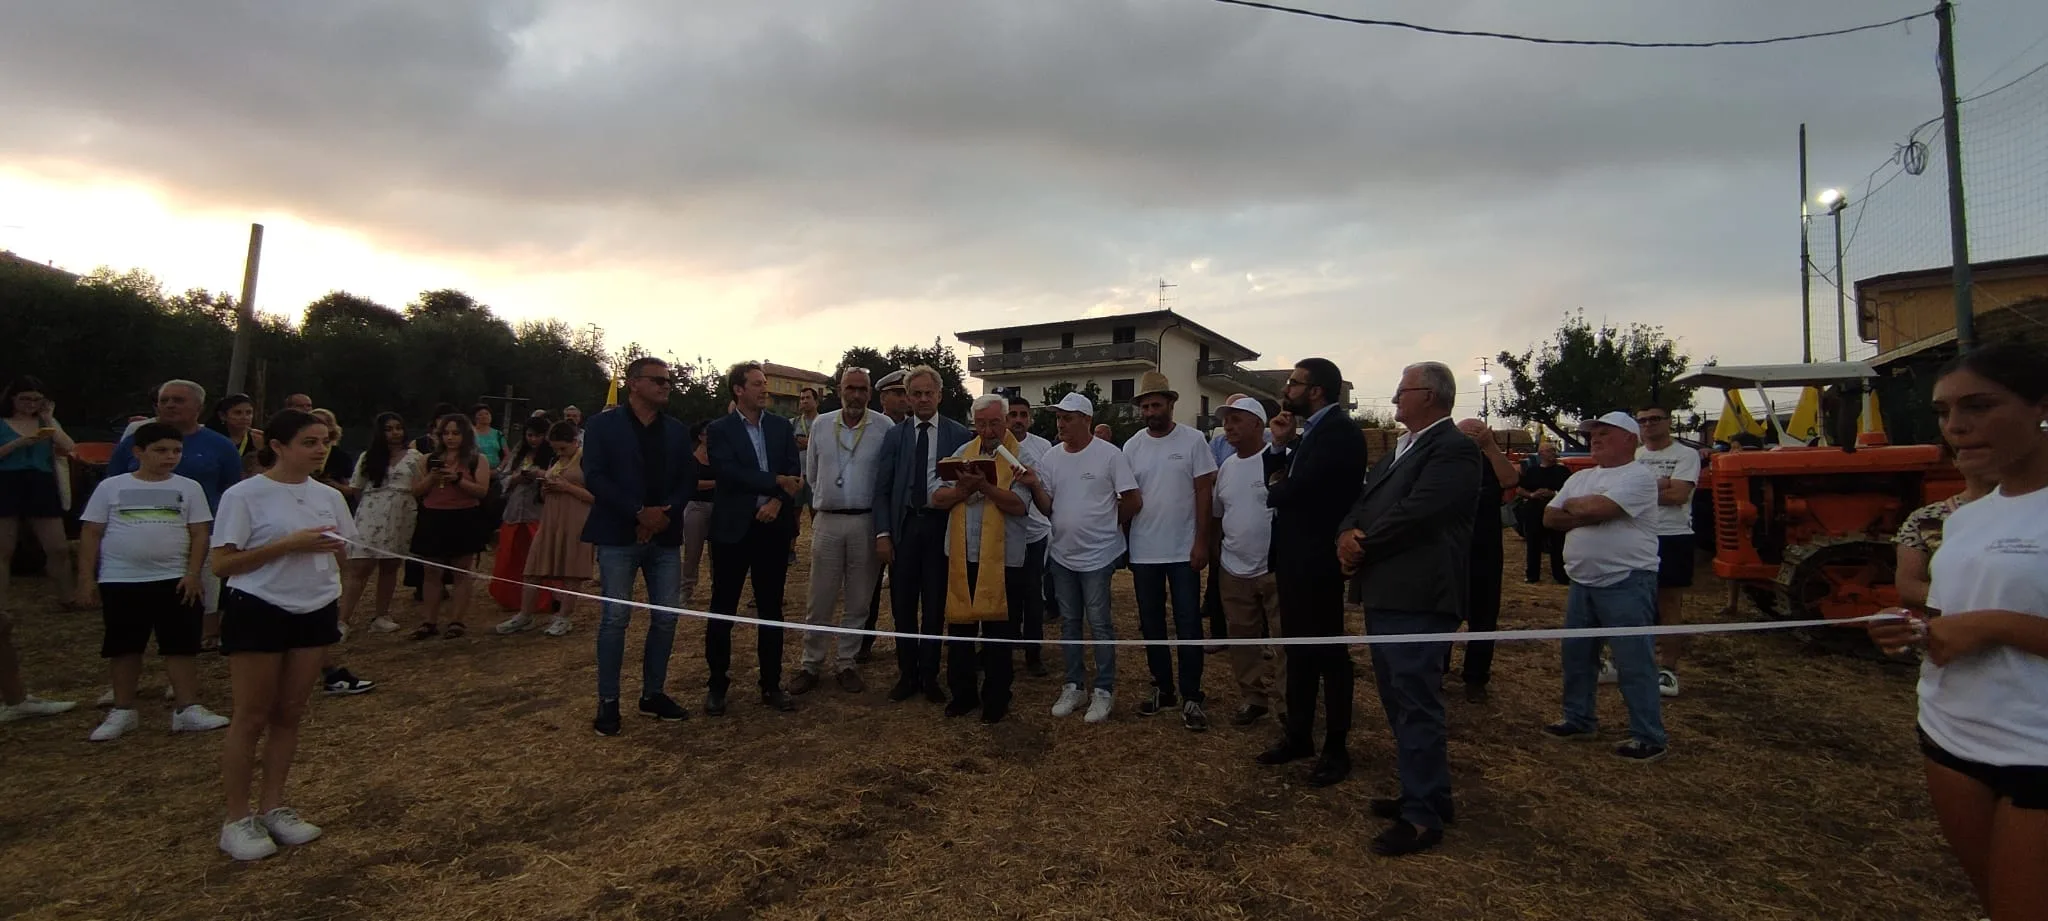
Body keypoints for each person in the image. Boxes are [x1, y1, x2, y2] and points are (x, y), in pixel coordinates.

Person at [1866, 342, 2048, 921]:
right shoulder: (1965, 519)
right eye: (1944, 412)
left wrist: (1995, 626)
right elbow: (1949, 619)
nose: (1956, 427)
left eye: (1979, 406)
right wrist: (1914, 630)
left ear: (2040, 406)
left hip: (2036, 748)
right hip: (1950, 735)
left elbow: (1986, 621)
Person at [1334, 361, 1480, 857]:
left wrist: (1362, 545)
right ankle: (1428, 793)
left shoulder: (1454, 450)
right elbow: (1365, 501)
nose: (1395, 398)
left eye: (1403, 390)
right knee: (1400, 700)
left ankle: (1422, 818)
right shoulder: (1404, 448)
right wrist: (1346, 532)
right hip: (1387, 592)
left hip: (1420, 595)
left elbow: (1419, 513)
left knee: (1416, 701)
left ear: (1431, 396)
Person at [210, 409, 358, 861]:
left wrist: (336, 553)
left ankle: (274, 806)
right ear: (277, 446)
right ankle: (237, 819)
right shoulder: (244, 495)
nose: (320, 450)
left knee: (290, 713)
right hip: (259, 607)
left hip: (315, 607)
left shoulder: (328, 496)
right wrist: (288, 545)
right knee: (251, 715)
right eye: (309, 442)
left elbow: (347, 551)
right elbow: (222, 564)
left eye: (324, 442)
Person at [77, 421, 232, 740]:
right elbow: (91, 532)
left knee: (181, 645)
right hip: (121, 579)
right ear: (138, 452)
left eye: (176, 451)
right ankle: (123, 710)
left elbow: (199, 533)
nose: (170, 457)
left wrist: (192, 573)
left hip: (175, 579)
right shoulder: (111, 487)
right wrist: (86, 579)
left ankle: (187, 708)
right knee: (124, 645)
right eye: (161, 450)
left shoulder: (190, 488)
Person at [1258, 359, 1366, 787]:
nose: (1287, 390)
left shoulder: (1339, 433)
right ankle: (1299, 735)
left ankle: (1336, 747)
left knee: (1328, 654)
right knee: (1298, 649)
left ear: (1316, 390)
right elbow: (1281, 482)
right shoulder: (1309, 434)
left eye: (1294, 383)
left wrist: (1277, 487)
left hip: (1319, 559)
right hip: (1294, 558)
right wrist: (1279, 447)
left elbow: (1294, 490)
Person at [1542, 411, 1669, 767]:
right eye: (1592, 434)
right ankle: (1579, 719)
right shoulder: (1580, 477)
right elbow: (1550, 517)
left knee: (1633, 660)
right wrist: (1588, 510)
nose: (1595, 439)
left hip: (1626, 579)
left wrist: (1582, 508)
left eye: (1604, 433)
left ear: (1629, 439)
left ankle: (1649, 736)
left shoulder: (1639, 476)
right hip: (1582, 580)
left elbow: (1599, 507)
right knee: (1577, 656)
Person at [582, 358, 696, 736]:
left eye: (668, 381)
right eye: (658, 380)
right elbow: (595, 476)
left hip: (664, 535)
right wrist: (637, 512)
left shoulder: (676, 430)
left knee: (666, 617)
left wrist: (663, 513)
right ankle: (608, 701)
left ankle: (653, 694)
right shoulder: (601, 426)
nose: (666, 386)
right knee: (616, 618)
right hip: (618, 534)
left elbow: (687, 478)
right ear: (633, 384)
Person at [1020, 393, 1139, 724]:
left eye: (1068, 418)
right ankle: (1074, 685)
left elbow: (1132, 499)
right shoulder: (1052, 456)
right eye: (1059, 417)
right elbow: (1048, 507)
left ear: (1086, 420)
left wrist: (1107, 526)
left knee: (1099, 623)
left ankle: (1104, 689)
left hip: (1098, 556)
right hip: (1062, 554)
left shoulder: (1109, 455)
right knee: (1070, 622)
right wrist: (1034, 486)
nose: (1061, 424)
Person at [107, 380, 244, 651]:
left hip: (202, 531)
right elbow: (114, 482)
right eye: (164, 400)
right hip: (140, 533)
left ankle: (204, 635)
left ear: (199, 407)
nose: (169, 405)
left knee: (203, 589)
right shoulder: (134, 443)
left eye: (178, 400)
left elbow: (231, 489)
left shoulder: (220, 445)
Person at [705, 362, 803, 715]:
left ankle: (771, 684)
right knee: (723, 609)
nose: (765, 389)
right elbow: (728, 472)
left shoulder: (780, 427)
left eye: (765, 383)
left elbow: (793, 471)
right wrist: (775, 481)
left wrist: (777, 501)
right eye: (758, 384)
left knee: (771, 609)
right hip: (732, 530)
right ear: (738, 389)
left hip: (772, 529)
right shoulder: (719, 430)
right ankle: (717, 685)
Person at [1121, 372, 1217, 731]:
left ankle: (1192, 694)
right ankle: (1163, 688)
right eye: (1145, 406)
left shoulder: (1193, 440)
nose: (1150, 411)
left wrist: (1201, 541)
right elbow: (1126, 497)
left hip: (1182, 549)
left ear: (1171, 404)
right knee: (1151, 623)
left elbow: (1204, 493)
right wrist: (1124, 543)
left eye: (1156, 404)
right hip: (1144, 550)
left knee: (1189, 622)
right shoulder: (1132, 446)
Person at [929, 395, 1033, 722]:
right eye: (982, 423)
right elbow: (936, 496)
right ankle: (962, 694)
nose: (988, 431)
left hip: (1003, 558)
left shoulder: (1020, 456)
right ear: (974, 423)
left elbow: (1019, 506)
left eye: (994, 423)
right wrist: (961, 491)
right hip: (963, 553)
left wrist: (985, 487)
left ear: (1006, 422)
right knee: (960, 629)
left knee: (998, 633)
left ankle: (996, 697)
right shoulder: (963, 453)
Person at [873, 365, 972, 704]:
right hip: (904, 526)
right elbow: (882, 489)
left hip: (940, 526)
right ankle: (907, 674)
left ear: (940, 396)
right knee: (902, 604)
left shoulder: (958, 435)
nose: (923, 399)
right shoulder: (895, 436)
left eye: (929, 393)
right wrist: (882, 534)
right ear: (908, 398)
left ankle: (929, 675)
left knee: (934, 604)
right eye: (916, 394)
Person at [792, 369, 891, 695]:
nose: (856, 395)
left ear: (869, 393)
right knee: (820, 596)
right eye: (851, 388)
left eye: (863, 389)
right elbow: (812, 474)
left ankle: (846, 662)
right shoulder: (821, 425)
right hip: (828, 521)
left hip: (866, 521)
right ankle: (810, 664)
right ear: (839, 390)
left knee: (859, 599)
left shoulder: (883, 427)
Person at [1211, 397, 1285, 726]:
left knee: (1283, 641)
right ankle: (1253, 697)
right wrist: (1217, 554)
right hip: (1234, 566)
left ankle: (1286, 703)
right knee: (1241, 638)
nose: (1228, 426)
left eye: (1236, 420)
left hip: (1274, 566)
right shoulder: (1227, 467)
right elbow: (1218, 514)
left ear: (1258, 424)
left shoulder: (1279, 460)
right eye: (1226, 421)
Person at [500, 422, 593, 637]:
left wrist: (566, 487)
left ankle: (564, 618)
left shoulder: (587, 460)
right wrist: (545, 488)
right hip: (550, 520)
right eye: (555, 448)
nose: (559, 452)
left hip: (576, 520)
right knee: (533, 568)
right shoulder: (555, 461)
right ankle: (525, 615)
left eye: (563, 448)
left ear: (575, 442)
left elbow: (596, 497)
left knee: (571, 573)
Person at [1633, 403, 1700, 698]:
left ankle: (1668, 668)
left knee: (1669, 603)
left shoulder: (1686, 455)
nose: (1648, 425)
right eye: (1643, 421)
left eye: (1654, 419)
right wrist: (1660, 486)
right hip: (1637, 535)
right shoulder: (1636, 455)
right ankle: (1636, 662)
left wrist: (1637, 493)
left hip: (1672, 535)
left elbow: (1678, 494)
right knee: (1635, 602)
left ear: (1668, 421)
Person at [1452, 417, 1518, 704]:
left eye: (1476, 432)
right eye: (1466, 433)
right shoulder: (1448, 460)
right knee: (1443, 610)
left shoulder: (1491, 460)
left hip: (1485, 546)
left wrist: (1490, 447)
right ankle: (1437, 668)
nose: (1472, 437)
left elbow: (1510, 480)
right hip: (1451, 546)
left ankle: (1476, 677)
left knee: (1484, 614)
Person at [407, 414, 490, 639]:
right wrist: (432, 478)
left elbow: (482, 491)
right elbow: (415, 491)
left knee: (461, 571)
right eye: (446, 433)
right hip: (433, 517)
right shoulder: (427, 460)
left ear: (465, 435)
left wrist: (457, 479)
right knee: (431, 571)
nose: (450, 438)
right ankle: (429, 621)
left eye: (456, 433)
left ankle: (457, 621)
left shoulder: (477, 459)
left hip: (464, 517)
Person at [1, 375, 80, 610]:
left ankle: (68, 597)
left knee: (58, 547)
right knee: (4, 549)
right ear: (12, 398)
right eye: (25, 399)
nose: (31, 404)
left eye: (36, 400)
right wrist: (18, 443)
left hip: (40, 482)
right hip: (6, 481)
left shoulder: (46, 423)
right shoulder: (3, 422)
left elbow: (70, 447)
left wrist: (48, 420)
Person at [344, 413, 421, 636]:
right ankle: (342, 619)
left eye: (398, 428)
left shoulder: (415, 457)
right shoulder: (368, 457)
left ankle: (381, 615)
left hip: (402, 513)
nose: (395, 433)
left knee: (390, 565)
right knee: (360, 566)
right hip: (372, 511)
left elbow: (420, 485)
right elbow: (356, 487)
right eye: (389, 429)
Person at [1894, 446, 1996, 610]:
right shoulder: (1925, 518)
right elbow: (1909, 585)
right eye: (1972, 449)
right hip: (1953, 620)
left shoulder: (2034, 510)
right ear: (1955, 460)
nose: (1985, 458)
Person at [857, 369, 912, 663]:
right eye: (897, 394)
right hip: (875, 513)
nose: (904, 399)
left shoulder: (915, 428)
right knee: (869, 584)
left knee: (904, 586)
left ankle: (907, 643)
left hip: (904, 516)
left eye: (906, 393)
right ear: (883, 398)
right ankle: (864, 640)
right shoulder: (872, 427)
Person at [1006, 394, 1054, 677]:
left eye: (1023, 415)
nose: (1018, 420)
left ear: (1030, 419)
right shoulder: (996, 445)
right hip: (1003, 531)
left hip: (1035, 533)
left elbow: (1048, 486)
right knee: (1005, 593)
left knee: (1033, 595)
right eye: (1013, 415)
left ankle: (1033, 654)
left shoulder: (1043, 447)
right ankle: (1004, 646)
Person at [489, 422, 554, 616]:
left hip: (538, 514)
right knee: (511, 557)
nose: (533, 439)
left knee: (538, 559)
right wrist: (515, 479)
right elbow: (503, 478)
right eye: (530, 435)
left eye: (538, 435)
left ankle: (542, 600)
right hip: (514, 512)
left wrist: (540, 475)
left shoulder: (553, 456)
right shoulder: (518, 455)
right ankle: (510, 598)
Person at [1516, 442, 1570, 584]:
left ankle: (1560, 576)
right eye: (1550, 450)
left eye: (1554, 450)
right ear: (1541, 454)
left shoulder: (1563, 471)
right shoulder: (1532, 471)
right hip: (1535, 511)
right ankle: (1532, 575)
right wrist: (1532, 495)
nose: (1553, 453)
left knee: (1558, 544)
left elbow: (1570, 490)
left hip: (1555, 511)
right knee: (1533, 544)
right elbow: (1520, 489)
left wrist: (1553, 493)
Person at [682, 420, 716, 606]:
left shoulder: (719, 456)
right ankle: (686, 589)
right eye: (706, 433)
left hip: (718, 506)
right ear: (700, 437)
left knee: (717, 553)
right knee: (692, 551)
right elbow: (691, 484)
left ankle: (717, 589)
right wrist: (717, 483)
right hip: (696, 505)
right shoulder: (691, 458)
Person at [209, 394, 264, 479]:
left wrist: (263, 450)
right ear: (222, 416)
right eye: (238, 413)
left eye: (249, 412)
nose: (245, 417)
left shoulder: (259, 438)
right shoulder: (212, 438)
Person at [472, 404, 504, 470]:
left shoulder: (498, 434)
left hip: (495, 472)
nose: (485, 416)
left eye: (487, 414)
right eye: (480, 414)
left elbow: (507, 455)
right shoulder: (470, 433)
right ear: (475, 418)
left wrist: (499, 469)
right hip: (474, 470)